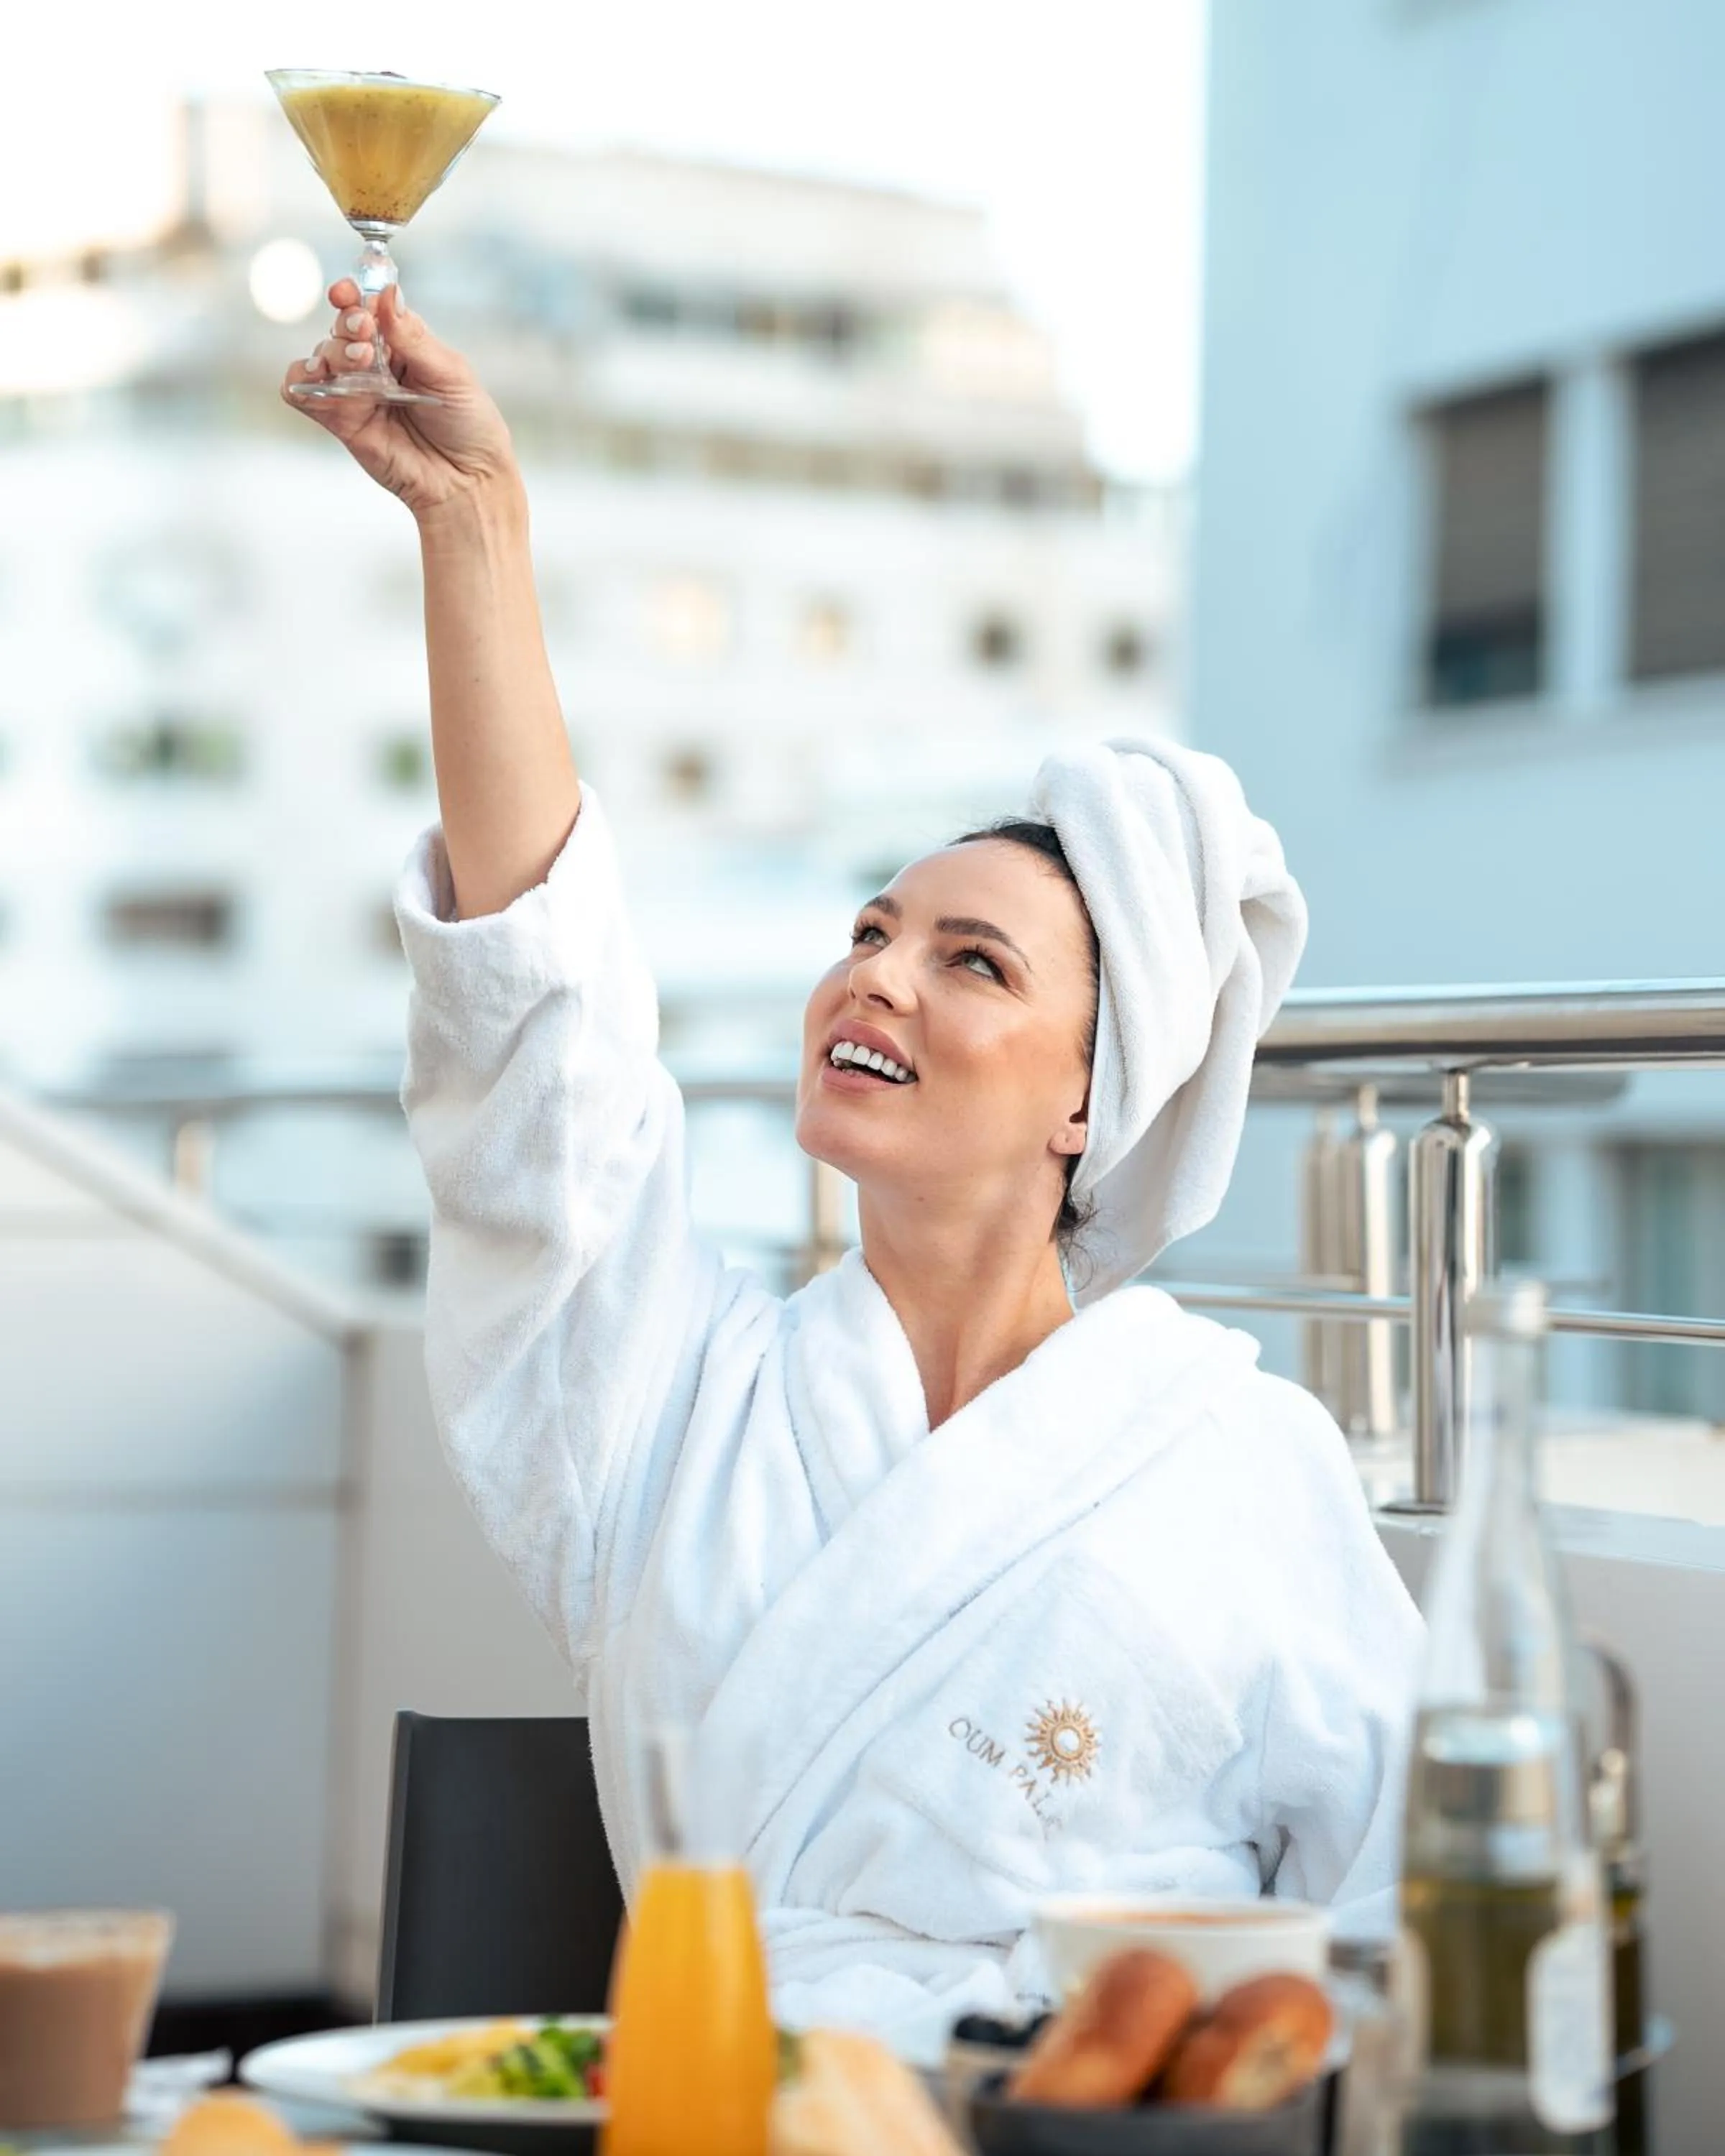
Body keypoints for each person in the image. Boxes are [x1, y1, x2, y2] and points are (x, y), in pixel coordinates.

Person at [285, 282, 1422, 2061]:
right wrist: (475, 523)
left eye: (975, 963)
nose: (875, 975)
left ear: (1088, 1102)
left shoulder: (1246, 1464)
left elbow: (1387, 1928)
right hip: (729, 2099)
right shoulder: (677, 1399)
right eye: (874, 928)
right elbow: (543, 1059)